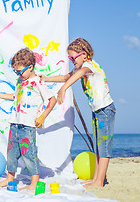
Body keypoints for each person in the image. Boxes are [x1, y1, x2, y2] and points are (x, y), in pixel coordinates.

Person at [40, 37, 116, 187]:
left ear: (84, 54)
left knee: (104, 147)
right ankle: (96, 179)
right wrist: (46, 79)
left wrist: (64, 89)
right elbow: (66, 76)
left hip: (105, 110)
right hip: (97, 111)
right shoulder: (81, 67)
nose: (71, 60)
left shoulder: (89, 65)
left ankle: (99, 181)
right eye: (69, 58)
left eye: (73, 57)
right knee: (98, 147)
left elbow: (79, 74)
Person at [0, 48, 57, 191]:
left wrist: (43, 116)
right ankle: (10, 178)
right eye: (16, 72)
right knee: (12, 153)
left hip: (28, 125)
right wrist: (0, 95)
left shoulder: (37, 82)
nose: (18, 74)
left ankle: (34, 182)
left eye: (20, 71)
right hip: (15, 123)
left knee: (29, 153)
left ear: (31, 67)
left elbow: (52, 99)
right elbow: (16, 96)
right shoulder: (20, 81)